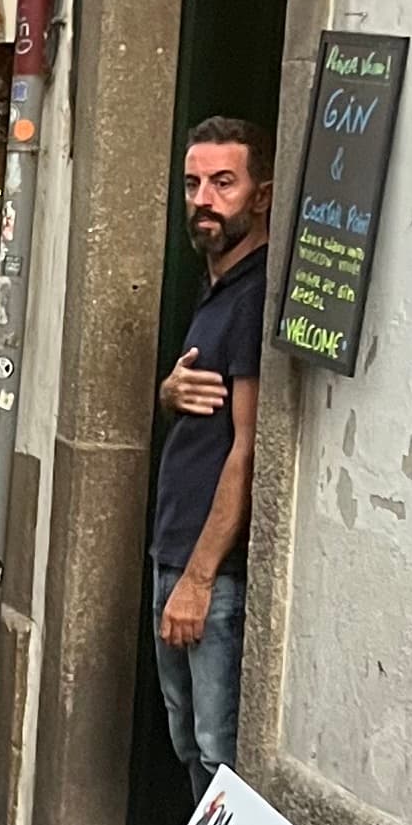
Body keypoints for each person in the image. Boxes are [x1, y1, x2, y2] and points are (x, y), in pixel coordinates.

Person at [152, 115, 273, 785]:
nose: (204, 198)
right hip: (175, 549)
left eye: (224, 182)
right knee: (185, 738)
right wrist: (170, 393)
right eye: (194, 182)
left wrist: (199, 580)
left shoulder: (256, 294)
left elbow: (249, 450)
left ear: (261, 195)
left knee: (216, 753)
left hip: (210, 571)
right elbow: (210, 408)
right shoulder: (218, 288)